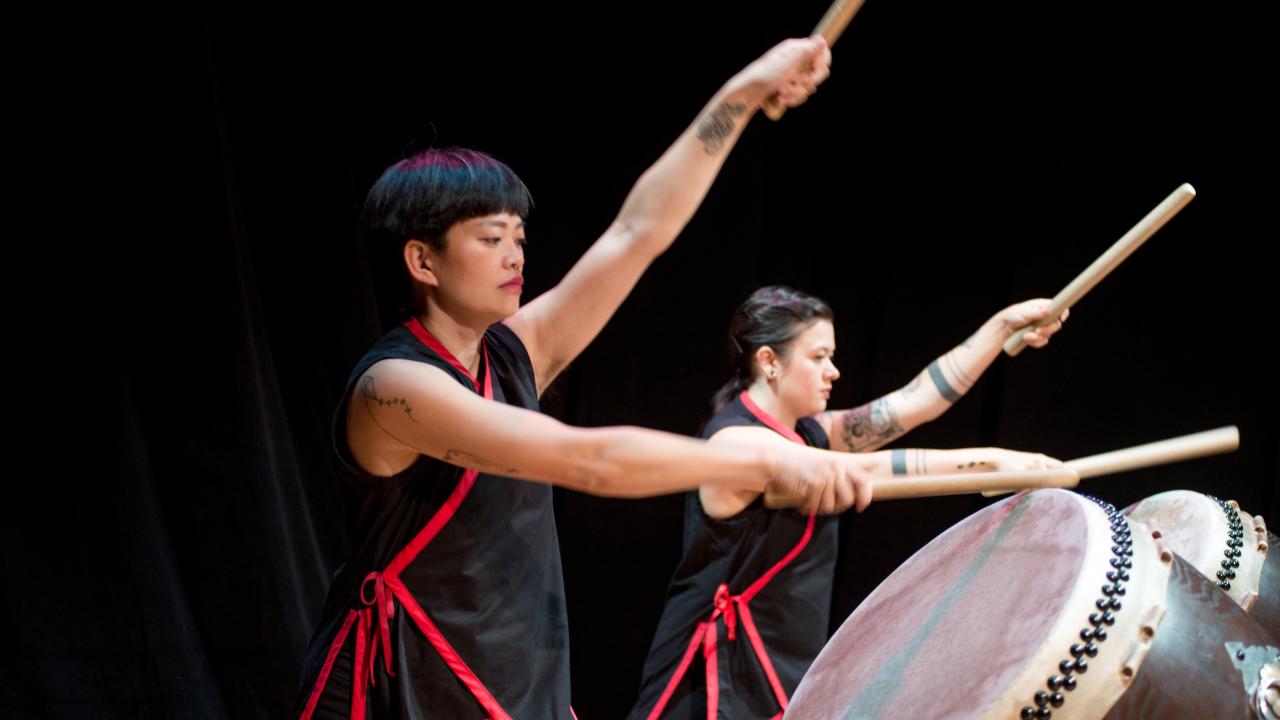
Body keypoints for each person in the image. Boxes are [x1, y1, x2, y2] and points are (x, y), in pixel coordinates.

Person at [292, 36, 874, 720]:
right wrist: (765, 463)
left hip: (507, 676)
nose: (514, 256)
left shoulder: (511, 353)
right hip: (405, 686)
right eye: (489, 239)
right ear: (422, 261)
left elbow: (638, 232)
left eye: (519, 238)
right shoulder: (396, 389)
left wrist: (744, 92)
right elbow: (588, 460)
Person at [629, 285, 1067, 720]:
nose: (833, 371)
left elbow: (915, 403)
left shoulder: (807, 434)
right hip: (715, 677)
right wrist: (991, 462)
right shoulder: (734, 441)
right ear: (769, 362)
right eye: (818, 357)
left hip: (777, 667)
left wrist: (1001, 327)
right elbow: (855, 471)